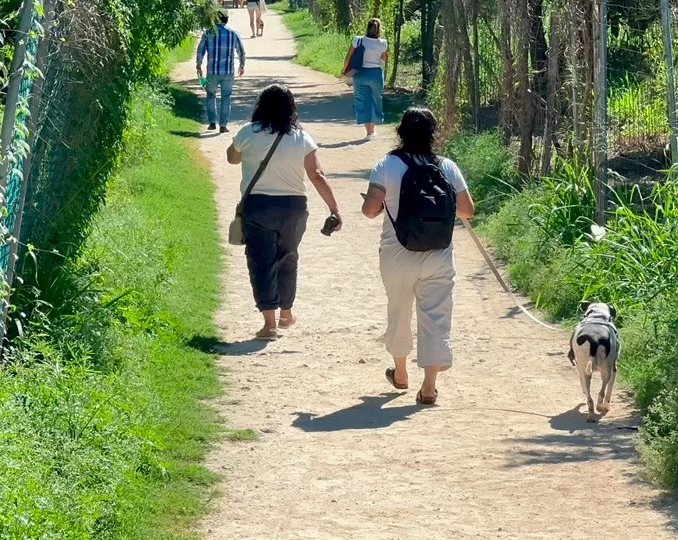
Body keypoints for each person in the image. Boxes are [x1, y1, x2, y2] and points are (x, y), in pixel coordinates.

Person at [361, 108, 476, 405]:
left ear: (400, 132)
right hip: (439, 254)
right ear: (433, 134)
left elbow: (370, 211)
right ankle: (429, 387)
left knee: (399, 311)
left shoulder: (387, 165)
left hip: (398, 253)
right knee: (436, 317)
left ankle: (400, 372)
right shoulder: (447, 167)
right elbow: (467, 210)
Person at [227, 85, 342, 341]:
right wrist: (334, 209)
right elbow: (317, 175)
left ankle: (269, 324)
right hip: (294, 207)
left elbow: (231, 158)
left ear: (261, 105)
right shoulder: (301, 137)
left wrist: (247, 149)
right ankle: (286, 313)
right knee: (288, 257)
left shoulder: (248, 131)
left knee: (261, 261)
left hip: (258, 207)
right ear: (292, 108)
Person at [197, 11, 246, 134]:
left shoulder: (208, 32)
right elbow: (241, 51)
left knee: (210, 95)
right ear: (226, 19)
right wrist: (241, 65)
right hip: (228, 71)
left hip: (212, 71)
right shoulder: (233, 33)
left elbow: (201, 50)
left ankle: (212, 122)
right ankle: (223, 125)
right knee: (226, 97)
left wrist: (198, 64)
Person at [343, 18, 389, 142]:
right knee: (375, 100)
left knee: (362, 101)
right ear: (379, 29)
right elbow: (384, 59)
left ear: (367, 27)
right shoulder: (383, 43)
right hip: (376, 74)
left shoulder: (357, 40)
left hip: (359, 74)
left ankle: (368, 132)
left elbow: (348, 57)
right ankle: (372, 130)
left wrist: (345, 71)